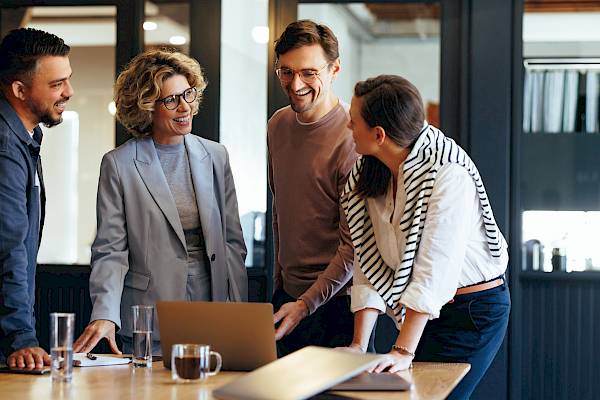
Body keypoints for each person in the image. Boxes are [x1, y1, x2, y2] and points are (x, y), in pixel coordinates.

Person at [341, 75, 510, 399]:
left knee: (433, 395)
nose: (348, 128)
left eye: (353, 122)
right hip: (425, 310)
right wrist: (358, 346)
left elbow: (436, 270)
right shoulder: (370, 170)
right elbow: (367, 256)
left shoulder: (448, 173)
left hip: (472, 312)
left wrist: (403, 351)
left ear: (378, 135)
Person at [73, 49, 247, 355]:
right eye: (171, 100)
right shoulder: (119, 164)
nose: (185, 107)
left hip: (214, 310)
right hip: (149, 314)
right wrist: (105, 313)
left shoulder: (216, 155)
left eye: (188, 95)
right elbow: (110, 249)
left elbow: (233, 243)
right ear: (147, 107)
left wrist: (238, 312)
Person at [268, 20, 358, 356]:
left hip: (338, 307)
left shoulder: (353, 137)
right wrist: (281, 290)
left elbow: (353, 247)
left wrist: (306, 304)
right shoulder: (277, 125)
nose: (296, 84)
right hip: (286, 299)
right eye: (286, 72)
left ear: (335, 69)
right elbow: (281, 210)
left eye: (309, 72)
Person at [0, 28, 73, 369]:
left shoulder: (26, 136)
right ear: (19, 89)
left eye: (67, 80)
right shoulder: (4, 145)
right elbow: (8, 244)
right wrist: (21, 338)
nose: (68, 92)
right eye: (57, 84)